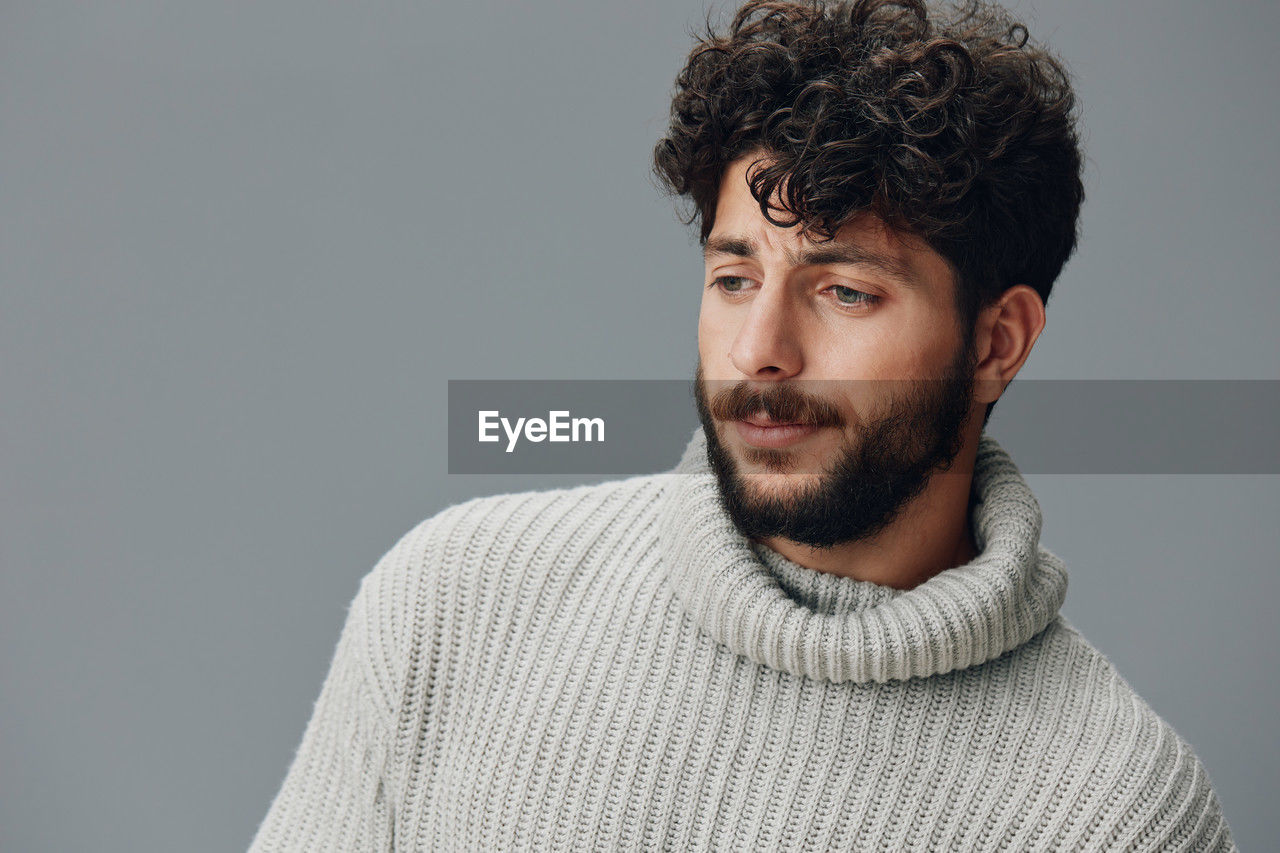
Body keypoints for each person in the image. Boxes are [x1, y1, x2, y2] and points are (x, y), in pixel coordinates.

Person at [250, 0, 1235, 849]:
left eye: (842, 292)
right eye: (732, 279)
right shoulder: (456, 608)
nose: (758, 348)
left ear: (995, 342)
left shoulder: (1112, 811)